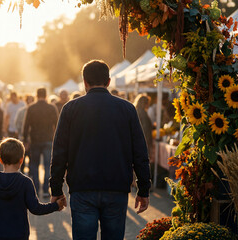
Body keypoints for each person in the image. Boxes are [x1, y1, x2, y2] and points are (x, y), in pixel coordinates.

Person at [50, 60, 151, 240]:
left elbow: (59, 152)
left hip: (82, 187)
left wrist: (56, 189)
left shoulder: (70, 109)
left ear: (84, 82)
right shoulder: (127, 109)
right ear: (109, 81)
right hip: (116, 187)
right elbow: (140, 153)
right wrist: (143, 189)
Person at [0, 138, 65, 240]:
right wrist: (55, 206)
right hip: (19, 234)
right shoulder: (26, 182)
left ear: (0, 159)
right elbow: (36, 208)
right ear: (21, 159)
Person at [23, 88, 58, 198]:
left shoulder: (31, 108)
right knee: (48, 165)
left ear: (37, 95)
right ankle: (46, 190)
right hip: (48, 139)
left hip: (35, 140)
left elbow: (26, 125)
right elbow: (57, 125)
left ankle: (36, 190)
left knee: (34, 165)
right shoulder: (51, 108)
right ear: (46, 95)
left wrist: (25, 140)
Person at [14, 94, 35, 173]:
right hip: (23, 137)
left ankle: (31, 172)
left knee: (31, 156)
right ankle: (22, 171)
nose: (30, 102)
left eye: (31, 100)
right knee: (22, 155)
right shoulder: (21, 111)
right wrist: (21, 132)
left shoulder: (35, 110)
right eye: (28, 100)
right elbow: (17, 122)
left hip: (33, 138)